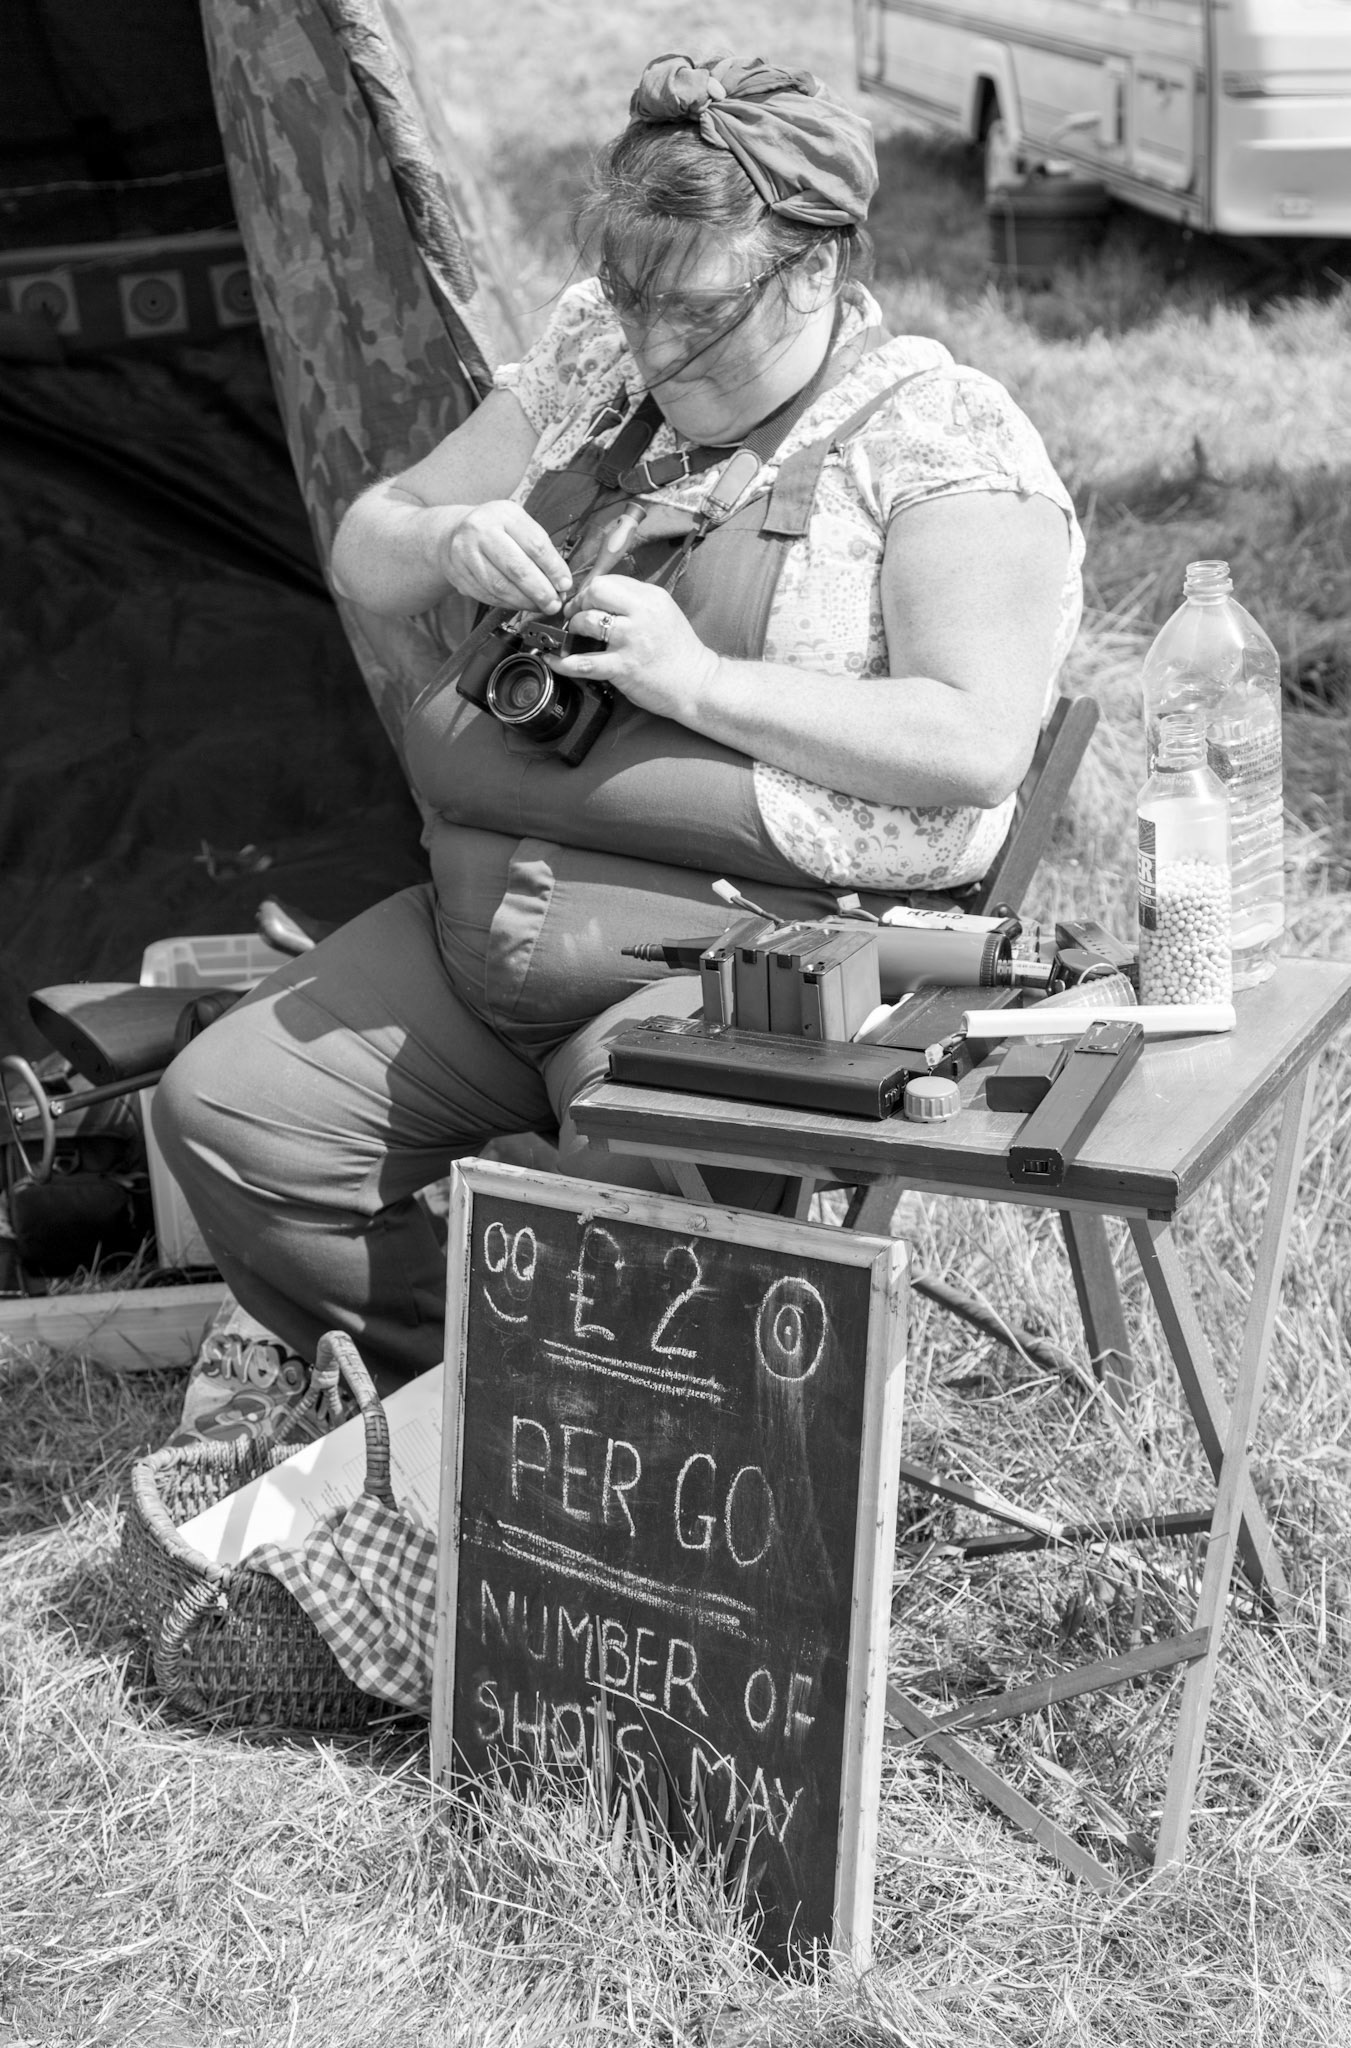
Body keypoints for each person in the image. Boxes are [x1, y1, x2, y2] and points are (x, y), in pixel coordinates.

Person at [153, 53, 1084, 1392]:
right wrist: (455, 537)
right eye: (636, 301)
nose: (655, 345)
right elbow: (369, 549)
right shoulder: (603, 350)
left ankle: (626, 1452)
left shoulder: (938, 437)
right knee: (233, 1115)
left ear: (814, 269)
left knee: (629, 1197)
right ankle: (469, 1409)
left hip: (742, 963)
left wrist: (697, 680)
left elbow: (974, 739)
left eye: (698, 313)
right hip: (481, 933)